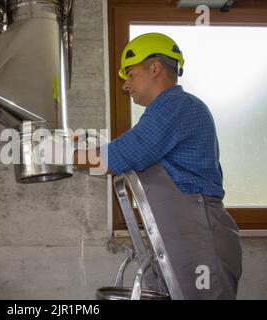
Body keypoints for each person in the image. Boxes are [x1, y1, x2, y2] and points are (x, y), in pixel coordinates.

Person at [74, 32, 242, 299]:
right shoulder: (165, 112)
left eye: (130, 74)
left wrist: (62, 155)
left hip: (198, 241)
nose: (125, 86)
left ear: (154, 68)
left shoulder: (176, 106)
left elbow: (115, 157)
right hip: (182, 241)